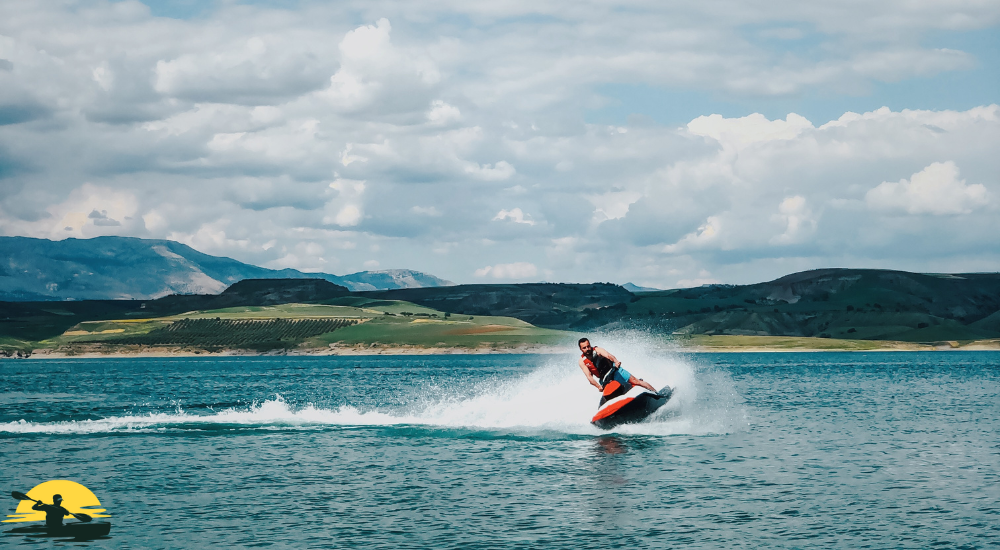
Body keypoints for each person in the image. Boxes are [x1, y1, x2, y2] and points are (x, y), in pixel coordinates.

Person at [577, 337, 656, 393]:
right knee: (611, 393)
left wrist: (616, 361)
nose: (587, 349)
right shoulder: (582, 361)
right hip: (605, 379)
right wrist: (598, 386)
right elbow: (589, 377)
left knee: (636, 381)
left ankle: (656, 393)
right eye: (584, 348)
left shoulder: (598, 350)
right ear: (581, 349)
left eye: (588, 346)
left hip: (615, 371)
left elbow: (608, 355)